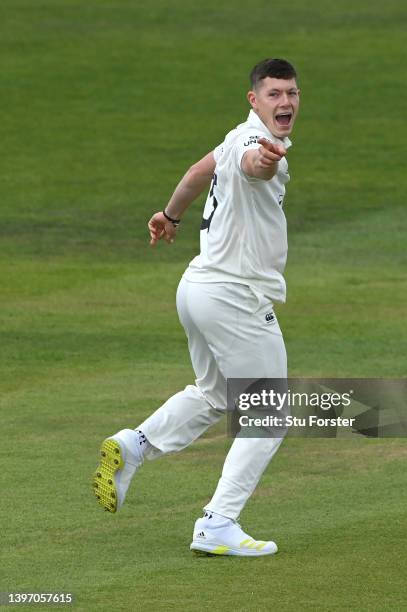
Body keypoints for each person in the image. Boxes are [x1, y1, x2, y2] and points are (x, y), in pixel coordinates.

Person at [93, 58, 300, 556]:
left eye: (292, 93)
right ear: (254, 100)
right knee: (269, 415)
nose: (286, 102)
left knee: (216, 393)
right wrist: (266, 161)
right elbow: (254, 165)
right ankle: (217, 523)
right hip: (233, 297)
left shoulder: (233, 136)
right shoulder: (253, 145)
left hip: (197, 288)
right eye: (274, 94)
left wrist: (169, 215)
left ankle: (133, 446)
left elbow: (195, 173)